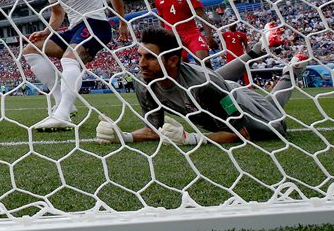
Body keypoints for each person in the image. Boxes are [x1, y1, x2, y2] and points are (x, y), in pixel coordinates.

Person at [96, 26, 309, 145]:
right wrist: (124, 136)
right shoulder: (144, 83)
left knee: (274, 116)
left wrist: (190, 138)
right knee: (210, 80)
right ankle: (260, 47)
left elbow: (241, 133)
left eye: (150, 57)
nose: (141, 64)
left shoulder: (203, 85)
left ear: (173, 60)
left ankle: (293, 71)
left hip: (251, 114)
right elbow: (154, 130)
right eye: (140, 56)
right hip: (223, 88)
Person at [23, 0, 128, 132]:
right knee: (31, 49)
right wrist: (46, 31)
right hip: (74, 28)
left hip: (96, 24)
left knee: (68, 59)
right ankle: (62, 103)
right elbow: (57, 13)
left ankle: (62, 115)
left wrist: (122, 22)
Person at [153, 0, 217, 63]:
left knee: (204, 61)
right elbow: (161, 21)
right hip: (173, 37)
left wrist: (209, 36)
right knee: (180, 66)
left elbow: (202, 16)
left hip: (191, 34)